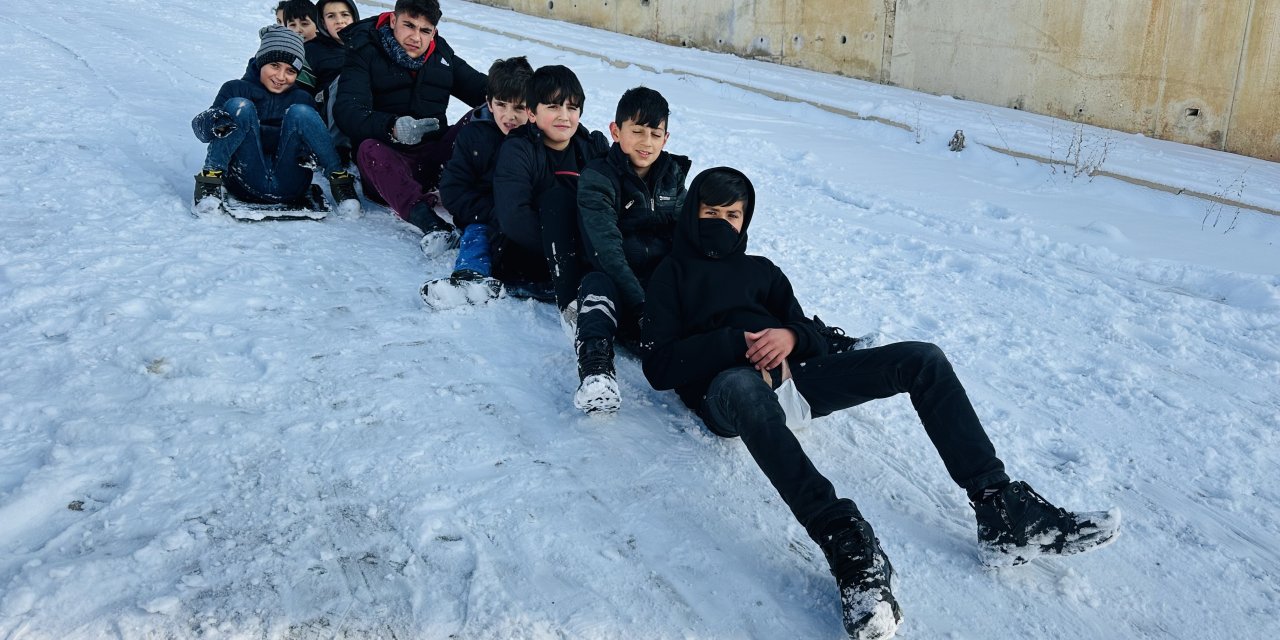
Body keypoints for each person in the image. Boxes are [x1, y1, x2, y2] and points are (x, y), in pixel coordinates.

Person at [639, 167, 1121, 639]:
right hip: (728, 395)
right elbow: (659, 366)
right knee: (743, 386)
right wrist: (731, 343)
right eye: (710, 211)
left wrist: (789, 336)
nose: (721, 223)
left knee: (922, 359)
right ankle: (847, 548)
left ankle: (1001, 508)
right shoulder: (671, 275)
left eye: (733, 214)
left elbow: (815, 337)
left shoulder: (763, 271)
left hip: (793, 382)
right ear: (691, 213)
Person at [570, 86, 690, 413]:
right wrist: (640, 306)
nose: (646, 142)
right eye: (636, 131)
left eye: (655, 133)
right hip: (619, 285)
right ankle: (597, 371)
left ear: (666, 138)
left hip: (659, 289)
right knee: (596, 284)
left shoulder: (672, 176)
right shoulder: (599, 177)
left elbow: (688, 236)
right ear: (615, 130)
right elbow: (605, 248)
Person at [333, 0, 487, 237]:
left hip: (435, 159)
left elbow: (483, 90)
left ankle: (491, 197)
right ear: (393, 21)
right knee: (368, 149)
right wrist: (392, 127)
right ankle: (429, 222)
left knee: (484, 115)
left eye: (425, 30)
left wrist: (529, 96)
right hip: (388, 162)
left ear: (433, 32)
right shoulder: (365, 50)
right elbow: (348, 111)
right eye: (409, 25)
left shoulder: (441, 54)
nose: (416, 36)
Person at [192, 25, 359, 215]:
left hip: (291, 183)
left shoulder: (301, 97)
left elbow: (312, 140)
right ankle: (210, 180)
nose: (281, 77)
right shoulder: (235, 89)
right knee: (240, 106)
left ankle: (339, 181)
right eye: (274, 66)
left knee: (302, 112)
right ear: (261, 61)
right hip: (244, 177)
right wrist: (214, 122)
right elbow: (201, 131)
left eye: (290, 71)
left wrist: (307, 152)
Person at [492, 64, 609, 311]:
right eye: (553, 106)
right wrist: (569, 250)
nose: (564, 116)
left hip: (586, 251)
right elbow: (514, 217)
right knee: (557, 199)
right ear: (532, 114)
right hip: (530, 257)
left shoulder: (591, 147)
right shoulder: (519, 148)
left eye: (572, 107)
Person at [434, 56, 533, 290]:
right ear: (489, 103)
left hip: (523, 218)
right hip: (482, 215)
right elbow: (453, 189)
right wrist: (489, 212)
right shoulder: (474, 137)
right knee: (477, 237)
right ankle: (470, 276)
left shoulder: (536, 140)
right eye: (501, 104)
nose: (509, 116)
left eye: (519, 107)